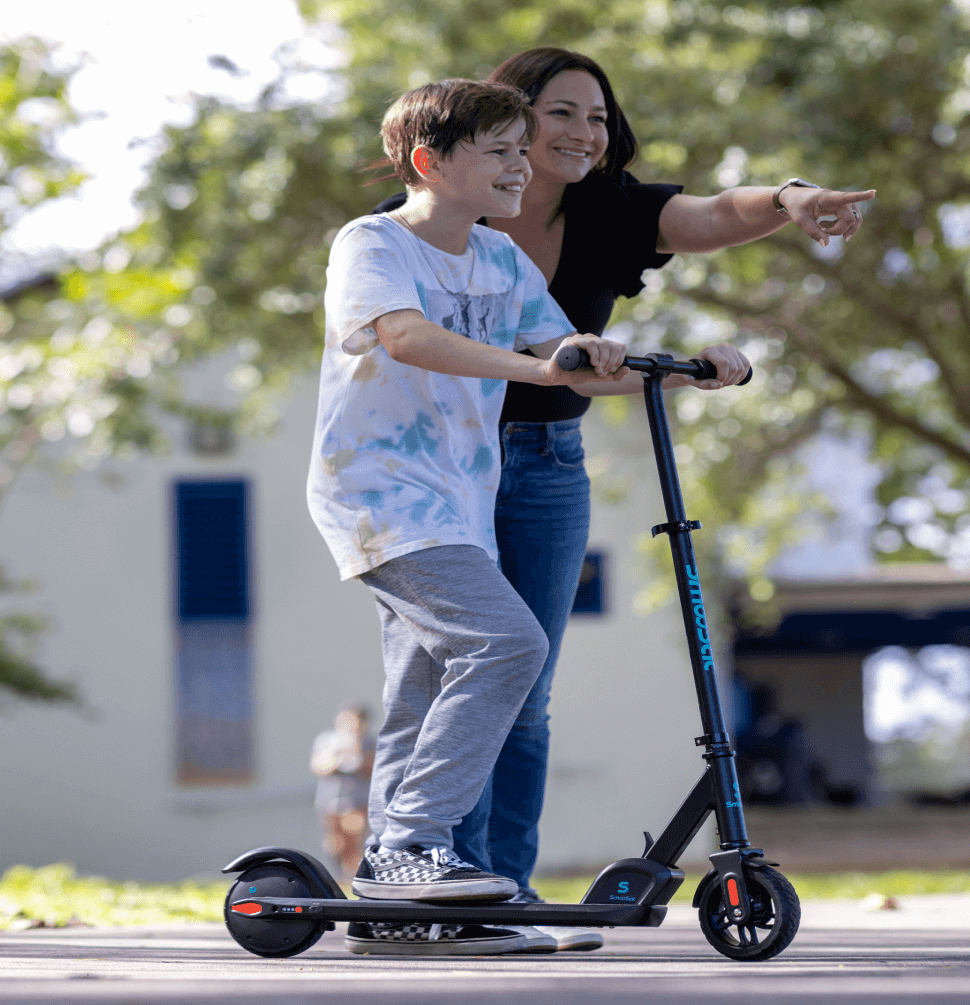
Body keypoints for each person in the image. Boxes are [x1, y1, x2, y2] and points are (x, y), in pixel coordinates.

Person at [378, 47, 874, 952]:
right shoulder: (407, 231)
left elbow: (711, 218)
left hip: (544, 462)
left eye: (599, 118)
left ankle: (500, 893)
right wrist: (544, 366)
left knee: (522, 685)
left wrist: (785, 209)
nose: (584, 133)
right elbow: (400, 343)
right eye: (560, 112)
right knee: (456, 670)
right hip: (440, 472)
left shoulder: (597, 215)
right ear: (504, 120)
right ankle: (423, 871)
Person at [306, 77, 628, 956]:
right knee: (508, 644)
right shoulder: (373, 243)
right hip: (378, 496)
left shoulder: (500, 259)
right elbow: (406, 338)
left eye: (522, 150)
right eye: (500, 151)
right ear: (429, 162)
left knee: (418, 691)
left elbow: (565, 356)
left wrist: (690, 368)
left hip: (459, 503)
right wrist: (545, 370)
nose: (523, 167)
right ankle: (412, 849)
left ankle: (409, 915)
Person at [309, 703, 376, 878]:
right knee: (335, 845)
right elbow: (319, 766)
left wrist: (356, 749)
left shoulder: (370, 742)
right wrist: (337, 761)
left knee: (355, 842)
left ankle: (352, 877)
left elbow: (370, 767)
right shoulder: (327, 740)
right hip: (330, 801)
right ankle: (341, 876)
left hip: (358, 801)